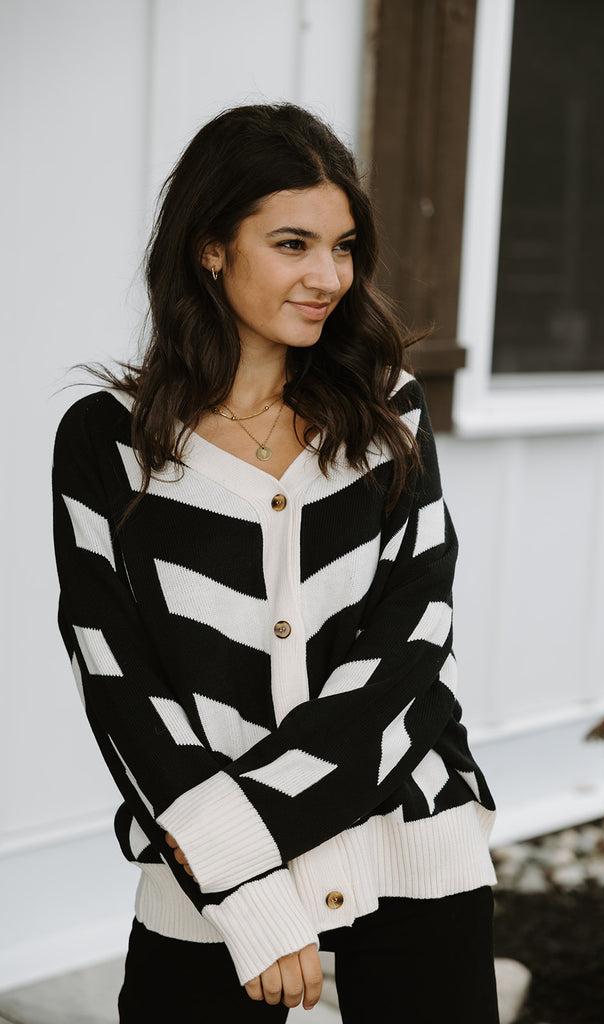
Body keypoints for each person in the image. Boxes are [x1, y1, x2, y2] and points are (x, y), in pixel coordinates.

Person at [52, 103, 499, 1023]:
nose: (328, 276)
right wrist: (244, 887)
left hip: (405, 836)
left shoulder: (386, 410)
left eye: (342, 247)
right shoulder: (107, 440)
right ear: (211, 247)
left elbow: (415, 639)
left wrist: (242, 847)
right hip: (207, 869)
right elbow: (118, 678)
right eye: (292, 243)